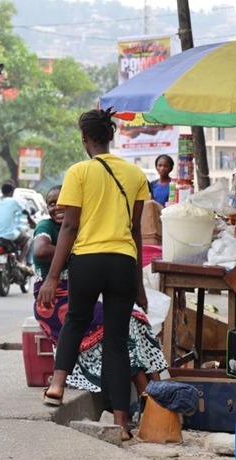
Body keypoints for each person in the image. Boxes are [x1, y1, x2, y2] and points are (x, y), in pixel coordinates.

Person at [38, 108, 150, 441]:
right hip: (122, 263)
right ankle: (121, 423)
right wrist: (139, 281)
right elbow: (135, 231)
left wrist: (52, 276)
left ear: (86, 139)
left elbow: (70, 225)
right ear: (110, 135)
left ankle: (57, 384)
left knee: (75, 319)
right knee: (117, 342)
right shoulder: (135, 174)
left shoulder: (79, 172)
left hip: (87, 260)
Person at [32, 185, 166, 401]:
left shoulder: (82, 227)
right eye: (51, 203)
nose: (57, 207)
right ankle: (148, 394)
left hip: (82, 290)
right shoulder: (46, 227)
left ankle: (158, 387)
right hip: (53, 298)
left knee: (135, 320)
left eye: (62, 203)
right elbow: (40, 250)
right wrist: (80, 252)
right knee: (114, 326)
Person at [0, 180, 33, 273]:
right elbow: (25, 212)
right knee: (28, 238)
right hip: (10, 235)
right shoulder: (13, 201)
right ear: (12, 192)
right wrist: (31, 220)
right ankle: (19, 262)